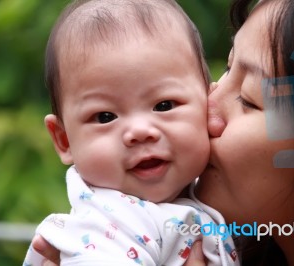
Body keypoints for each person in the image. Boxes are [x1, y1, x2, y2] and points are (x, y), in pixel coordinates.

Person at [32, 0, 294, 265]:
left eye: (249, 99)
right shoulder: (112, 228)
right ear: (62, 137)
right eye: (227, 69)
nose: (207, 108)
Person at [23, 0, 240, 265]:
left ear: (208, 105)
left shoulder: (214, 191)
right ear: (64, 140)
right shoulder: (107, 228)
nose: (139, 132)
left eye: (164, 105)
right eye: (105, 117)